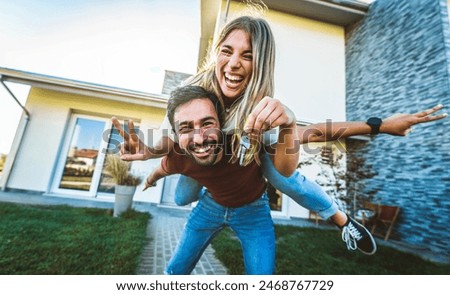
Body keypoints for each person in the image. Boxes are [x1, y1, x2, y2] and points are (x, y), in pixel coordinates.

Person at [113, 16, 447, 256]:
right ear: (216, 53)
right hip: (199, 168)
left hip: (248, 173)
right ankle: (194, 183)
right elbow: (174, 141)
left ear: (261, 62)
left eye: (248, 54)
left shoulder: (261, 110)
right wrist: (148, 154)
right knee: (182, 196)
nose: (233, 64)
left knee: (280, 173)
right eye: (227, 51)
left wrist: (380, 125)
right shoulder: (192, 95)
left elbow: (314, 134)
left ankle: (342, 220)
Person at [143, 85, 298, 274]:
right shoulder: (180, 156)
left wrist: (290, 123)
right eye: (186, 128)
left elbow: (310, 135)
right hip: (210, 206)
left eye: (207, 123)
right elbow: (160, 170)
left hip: (253, 211)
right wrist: (149, 181)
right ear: (175, 136)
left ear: (221, 123)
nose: (199, 139)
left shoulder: (246, 139)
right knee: (175, 271)